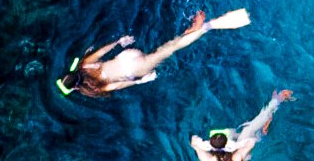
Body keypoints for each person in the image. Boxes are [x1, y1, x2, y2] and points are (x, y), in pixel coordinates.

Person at [58, 8, 249, 98]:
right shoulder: (84, 64)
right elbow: (101, 50)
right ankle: (192, 29)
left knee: (170, 49)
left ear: (75, 87)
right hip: (126, 55)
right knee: (167, 46)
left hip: (135, 68)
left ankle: (207, 27)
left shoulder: (93, 88)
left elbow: (119, 85)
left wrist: (142, 80)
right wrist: (119, 41)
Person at [192, 90, 293, 161]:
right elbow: (251, 143)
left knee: (230, 132)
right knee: (247, 132)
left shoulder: (206, 158)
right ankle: (277, 101)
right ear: (227, 145)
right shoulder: (236, 158)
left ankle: (259, 131)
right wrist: (235, 146)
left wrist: (204, 145)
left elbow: (194, 140)